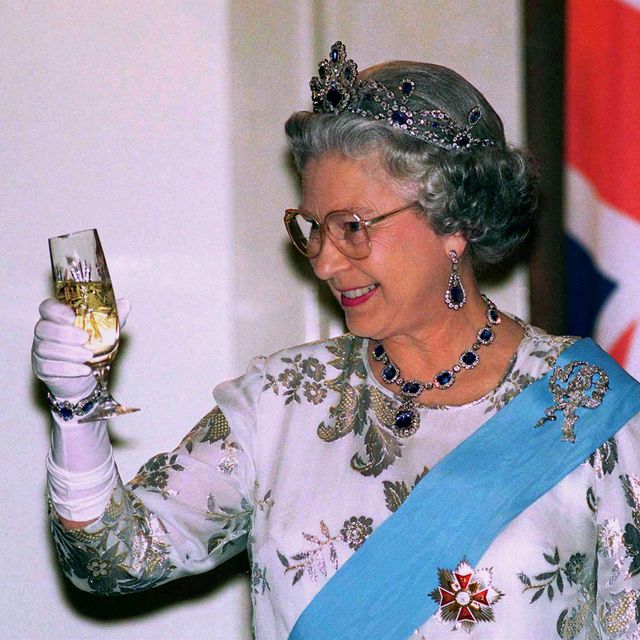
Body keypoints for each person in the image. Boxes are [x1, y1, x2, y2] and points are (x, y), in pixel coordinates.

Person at [33, 42, 640, 639]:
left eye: (352, 227)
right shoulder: (280, 403)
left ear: (454, 223)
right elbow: (111, 560)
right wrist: (76, 407)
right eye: (314, 229)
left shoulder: (588, 408)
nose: (323, 262)